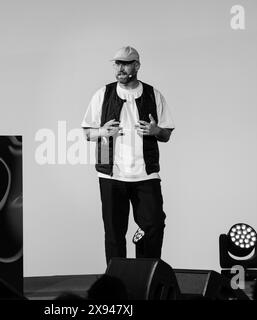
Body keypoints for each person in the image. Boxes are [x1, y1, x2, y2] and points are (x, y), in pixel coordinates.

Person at [81, 46, 175, 264]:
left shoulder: (153, 95)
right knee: (114, 234)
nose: (120, 68)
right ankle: (118, 283)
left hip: (145, 173)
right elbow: (87, 132)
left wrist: (156, 131)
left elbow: (166, 134)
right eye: (117, 63)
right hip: (111, 175)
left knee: (152, 225)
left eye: (125, 63)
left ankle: (146, 276)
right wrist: (103, 132)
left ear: (137, 65)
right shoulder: (103, 94)